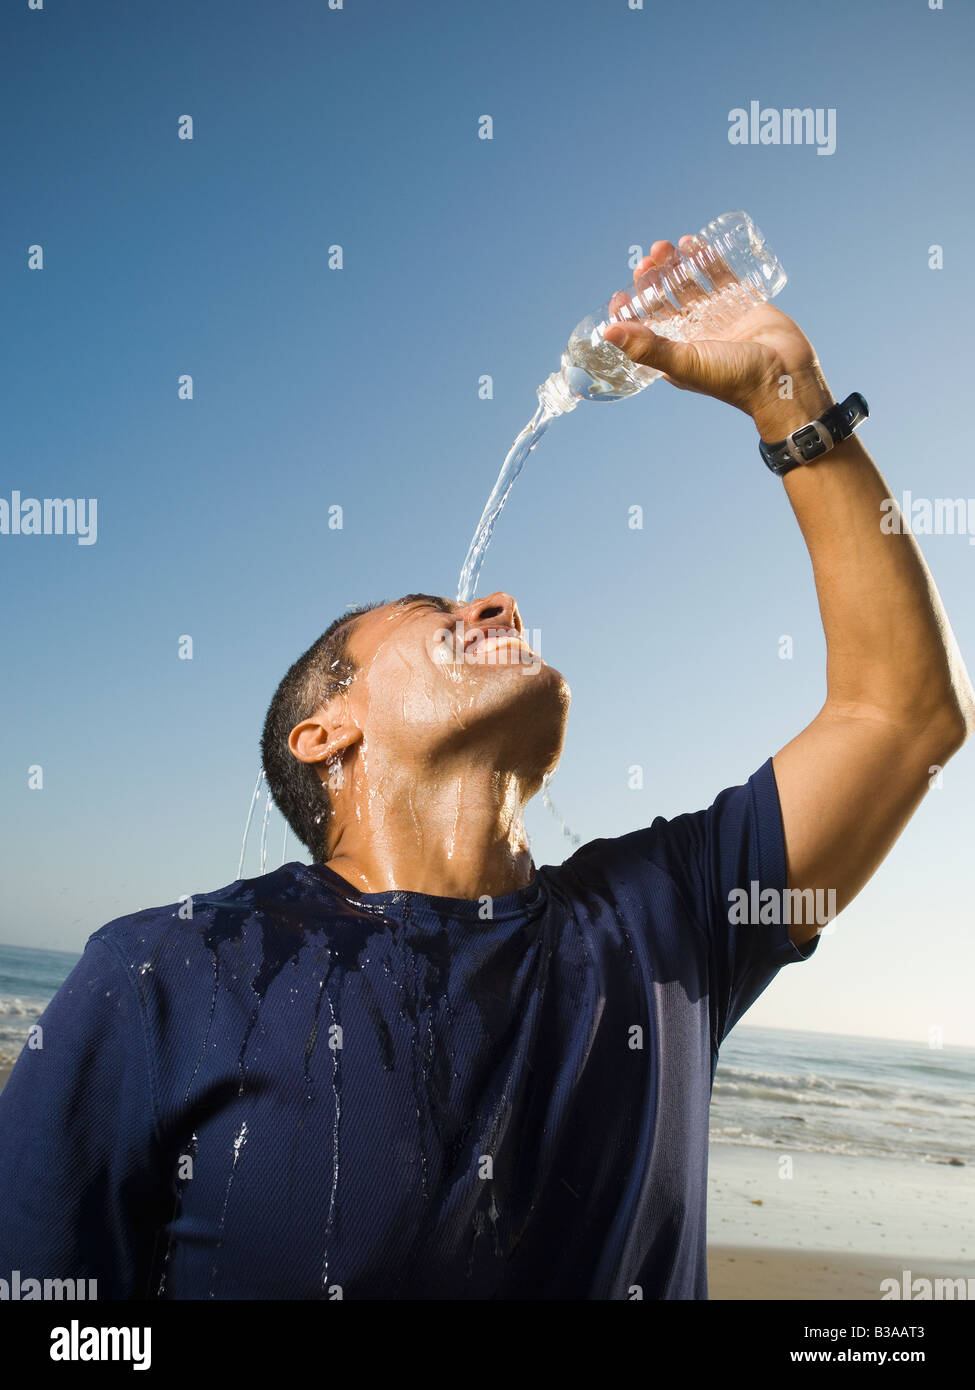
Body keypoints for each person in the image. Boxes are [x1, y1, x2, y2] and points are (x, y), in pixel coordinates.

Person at [1, 238, 971, 1301]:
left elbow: (906, 711)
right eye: (433, 618)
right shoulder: (161, 974)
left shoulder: (672, 917)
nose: (498, 608)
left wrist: (790, 397)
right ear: (325, 732)